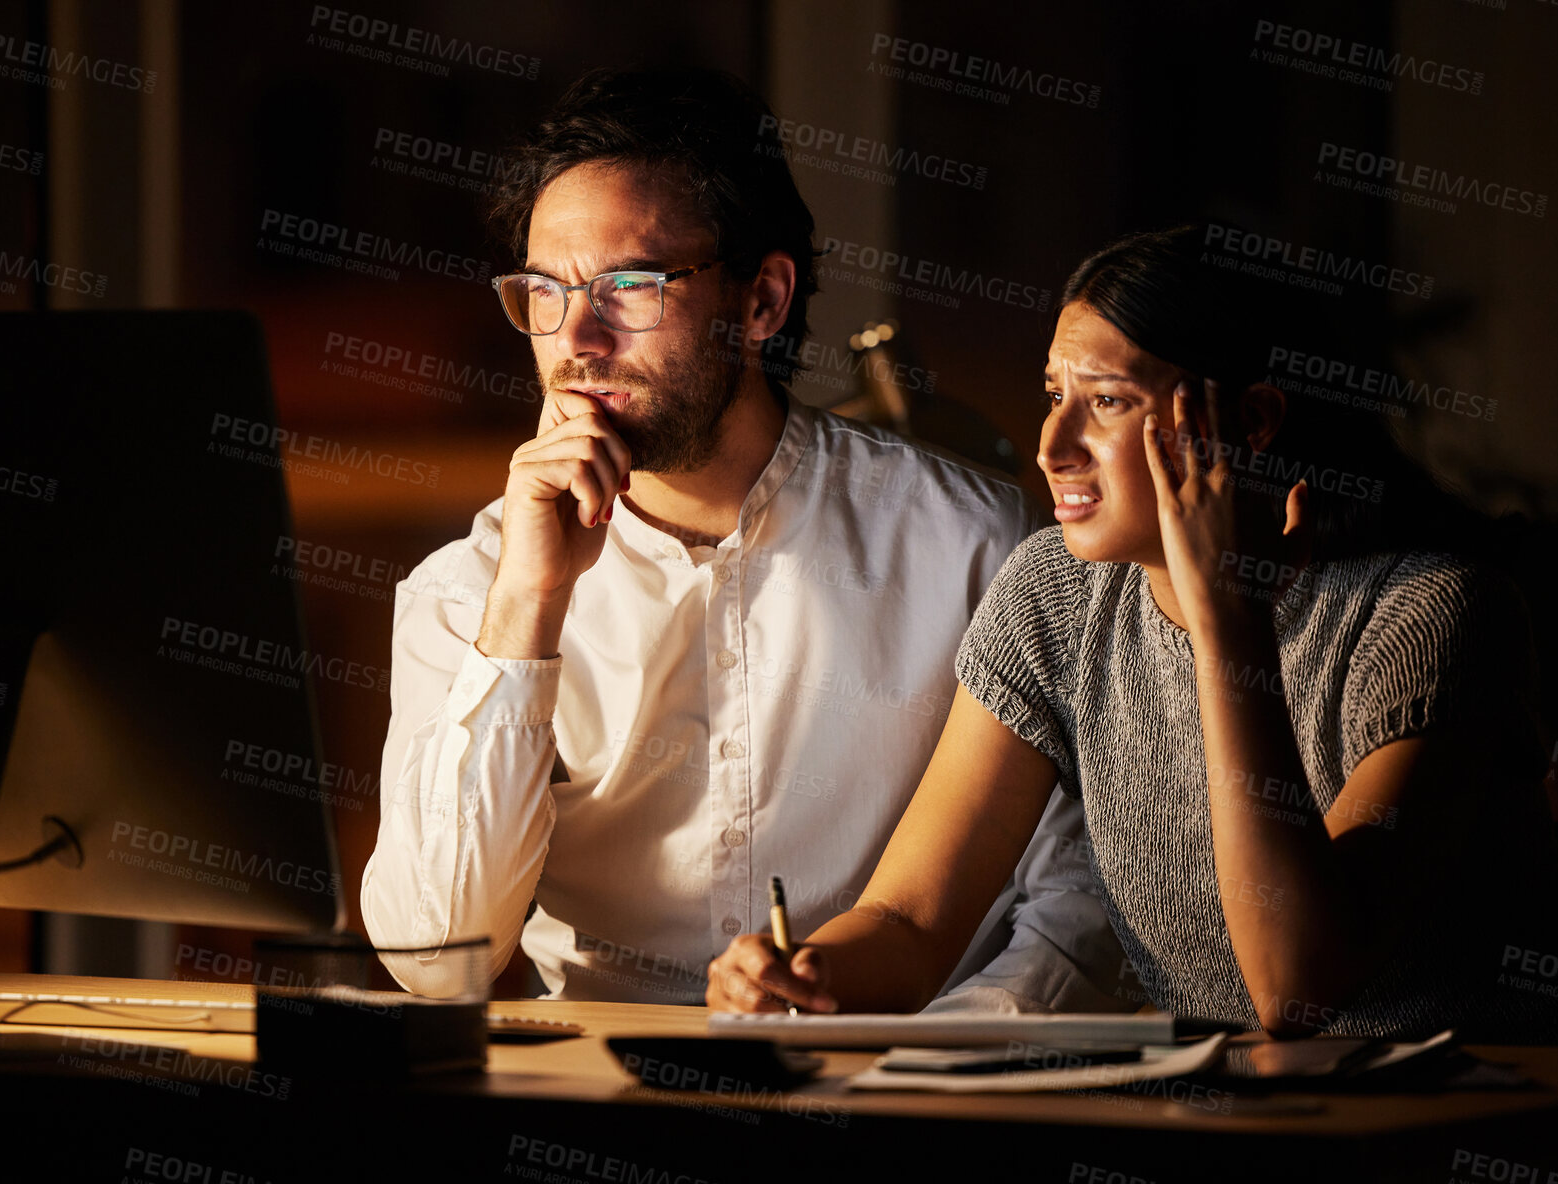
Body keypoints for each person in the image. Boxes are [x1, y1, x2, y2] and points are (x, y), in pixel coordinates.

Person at [708, 225, 1558, 1041]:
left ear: (1250, 423)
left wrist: (1224, 620)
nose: (1053, 442)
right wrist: (805, 974)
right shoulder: (1054, 593)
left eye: (1106, 402)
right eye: (1053, 394)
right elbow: (911, 921)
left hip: (1469, 1121)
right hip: (1231, 1120)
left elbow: (1295, 987)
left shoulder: (1431, 615)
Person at [359, 66, 1125, 1008]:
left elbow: (1079, 904)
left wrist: (927, 1069)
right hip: (595, 1097)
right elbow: (439, 960)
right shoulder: (469, 588)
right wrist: (528, 606)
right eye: (544, 293)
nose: (577, 341)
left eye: (628, 287)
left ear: (761, 301)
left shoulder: (978, 548)